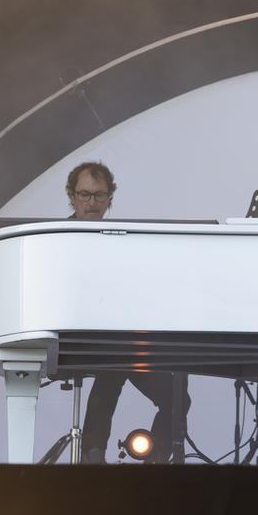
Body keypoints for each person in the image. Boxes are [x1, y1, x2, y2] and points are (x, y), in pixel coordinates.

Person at [64, 161, 190, 463]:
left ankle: (151, 458)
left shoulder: (120, 239)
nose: (92, 203)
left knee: (177, 395)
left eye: (99, 196)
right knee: (116, 359)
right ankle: (98, 455)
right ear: (71, 196)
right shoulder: (59, 237)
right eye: (84, 195)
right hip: (72, 339)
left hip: (118, 343)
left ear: (110, 197)